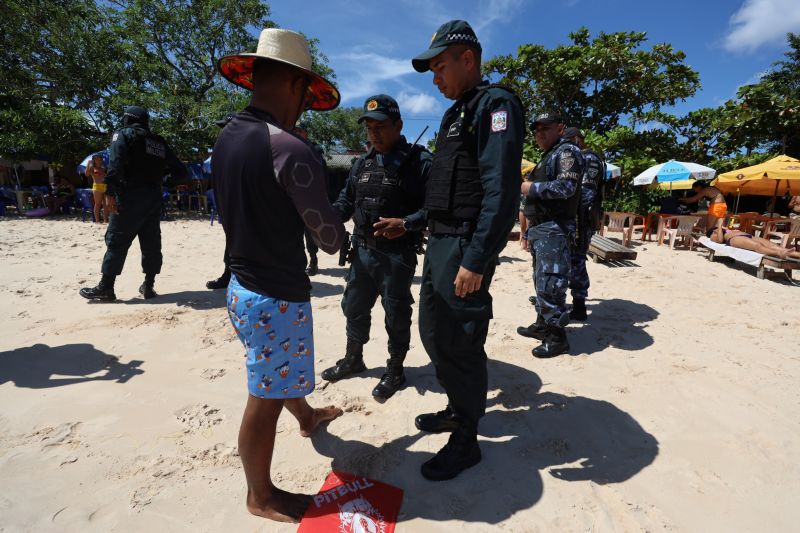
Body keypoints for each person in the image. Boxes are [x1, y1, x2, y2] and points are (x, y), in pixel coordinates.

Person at [214, 28, 346, 523]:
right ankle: (260, 495)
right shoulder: (290, 148)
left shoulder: (228, 135)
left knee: (274, 370)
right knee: (264, 397)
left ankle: (308, 417)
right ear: (294, 85)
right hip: (275, 294)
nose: (305, 107)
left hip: (239, 285)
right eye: (306, 97)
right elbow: (329, 239)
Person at [411, 20, 524, 481]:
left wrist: (477, 258)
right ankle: (458, 409)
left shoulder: (495, 105)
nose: (435, 78)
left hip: (463, 246)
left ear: (467, 59)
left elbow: (501, 191)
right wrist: (412, 221)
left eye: (440, 66)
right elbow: (446, 188)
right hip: (438, 241)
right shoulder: (454, 114)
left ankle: (467, 440)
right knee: (435, 334)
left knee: (461, 340)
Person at [320, 94, 432, 402]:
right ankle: (353, 358)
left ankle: (395, 369)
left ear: (398, 124)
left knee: (396, 313)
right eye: (368, 126)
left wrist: (406, 223)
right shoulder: (362, 163)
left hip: (396, 256)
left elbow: (437, 209)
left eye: (380, 125)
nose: (373, 132)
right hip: (362, 252)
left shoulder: (419, 162)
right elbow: (345, 202)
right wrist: (323, 217)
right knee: (353, 307)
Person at [79, 106, 187, 301]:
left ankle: (106, 287)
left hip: (128, 197)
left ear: (128, 119)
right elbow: (181, 172)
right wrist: (164, 183)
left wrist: (111, 193)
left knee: (117, 240)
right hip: (153, 199)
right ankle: (148, 285)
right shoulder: (159, 142)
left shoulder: (123, 135)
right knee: (151, 242)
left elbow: (115, 165)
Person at [516, 112, 584, 358]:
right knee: (541, 279)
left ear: (560, 128)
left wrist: (528, 187)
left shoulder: (567, 152)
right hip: (541, 228)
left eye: (545, 128)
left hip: (554, 227)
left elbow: (566, 187)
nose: (539, 133)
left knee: (552, 281)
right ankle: (542, 324)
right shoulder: (550, 155)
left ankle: (557, 338)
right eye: (536, 130)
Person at [563, 127, 605, 321]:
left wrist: (577, 219)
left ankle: (579, 306)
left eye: (570, 141)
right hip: (583, 215)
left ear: (578, 139)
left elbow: (586, 193)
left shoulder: (587, 158)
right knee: (573, 258)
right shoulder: (593, 157)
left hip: (581, 215)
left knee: (576, 259)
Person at [292, 123, 335, 276]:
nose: (297, 133)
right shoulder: (290, 149)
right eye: (295, 130)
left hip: (311, 200)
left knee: (309, 232)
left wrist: (322, 199)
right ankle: (298, 261)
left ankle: (313, 260)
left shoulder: (314, 152)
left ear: (306, 133)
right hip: (294, 198)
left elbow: (323, 178)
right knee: (294, 232)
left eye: (300, 131)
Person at [206, 112, 237, 290]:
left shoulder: (243, 146)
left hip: (241, 202)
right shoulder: (223, 147)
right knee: (232, 239)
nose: (222, 131)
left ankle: (232, 276)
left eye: (224, 126)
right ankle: (229, 274)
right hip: (228, 201)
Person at [707, 219, 800, 259]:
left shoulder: (723, 229)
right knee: (757, 246)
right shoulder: (713, 233)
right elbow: (719, 240)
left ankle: (796, 254)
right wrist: (719, 226)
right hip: (735, 239)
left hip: (749, 236)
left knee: (772, 245)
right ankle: (779, 254)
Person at [85, 154, 111, 223]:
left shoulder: (104, 168)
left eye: (100, 159)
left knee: (106, 205)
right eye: (96, 159)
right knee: (98, 204)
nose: (98, 160)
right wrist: (88, 163)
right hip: (97, 187)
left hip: (105, 186)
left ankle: (106, 220)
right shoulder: (92, 168)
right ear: (94, 160)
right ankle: (97, 221)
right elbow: (87, 174)